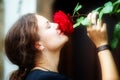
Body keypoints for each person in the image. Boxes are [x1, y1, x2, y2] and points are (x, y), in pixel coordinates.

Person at [4, 12, 119, 80]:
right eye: (48, 26)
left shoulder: (36, 77)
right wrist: (102, 45)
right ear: (38, 44)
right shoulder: (46, 79)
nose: (56, 25)